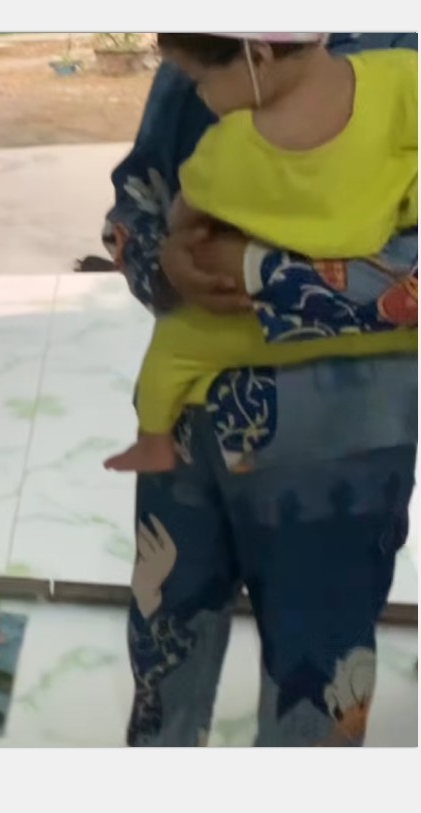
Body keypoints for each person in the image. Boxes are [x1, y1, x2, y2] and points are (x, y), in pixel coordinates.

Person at [103, 32, 418, 747]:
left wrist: (259, 274)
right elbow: (135, 202)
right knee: (165, 640)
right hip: (191, 425)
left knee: (319, 671)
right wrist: (164, 263)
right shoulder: (210, 53)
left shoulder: (403, 67)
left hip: (342, 449)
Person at [105, 33, 417, 473]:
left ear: (259, 56)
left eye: (201, 81)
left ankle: (152, 443)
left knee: (174, 346)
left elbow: (181, 215)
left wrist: (199, 257)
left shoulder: (228, 146)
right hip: (395, 337)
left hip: (267, 342)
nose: (200, 93)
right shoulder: (401, 74)